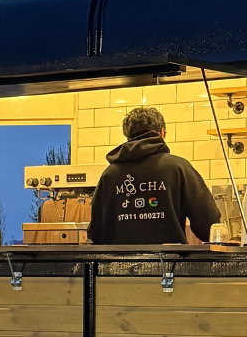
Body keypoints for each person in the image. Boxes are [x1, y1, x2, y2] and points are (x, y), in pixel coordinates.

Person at [88, 105, 220, 245]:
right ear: (162, 133)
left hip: (118, 265)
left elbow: (97, 233)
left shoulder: (109, 176)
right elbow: (208, 227)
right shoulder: (178, 168)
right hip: (170, 264)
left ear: (127, 136)